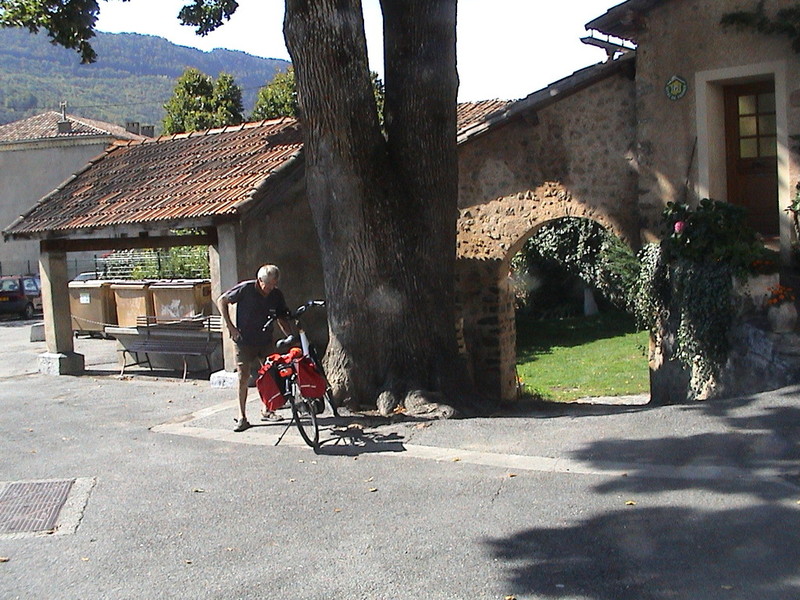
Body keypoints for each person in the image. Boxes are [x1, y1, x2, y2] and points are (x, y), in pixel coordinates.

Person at [217, 264, 294, 432]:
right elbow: (222, 300)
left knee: (270, 374)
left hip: (265, 341)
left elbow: (281, 317)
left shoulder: (276, 295)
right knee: (243, 377)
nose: (272, 288)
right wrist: (230, 327)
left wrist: (290, 335)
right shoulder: (245, 289)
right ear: (260, 280)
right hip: (244, 341)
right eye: (269, 284)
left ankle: (267, 410)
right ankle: (242, 416)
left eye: (275, 284)